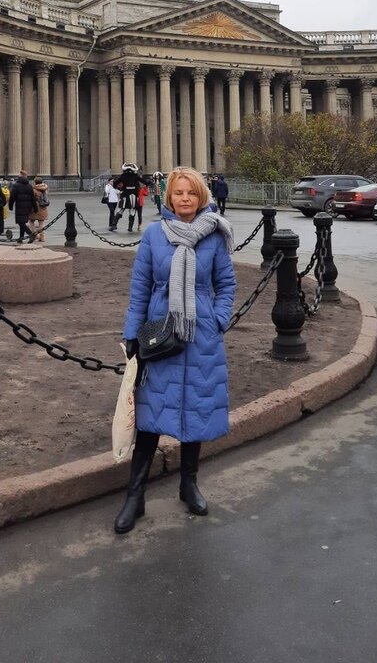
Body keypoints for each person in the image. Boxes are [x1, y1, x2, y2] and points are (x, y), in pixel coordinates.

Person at [114, 166, 236, 534]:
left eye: (191, 193)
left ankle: (189, 484)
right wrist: (132, 336)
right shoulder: (153, 235)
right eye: (178, 193)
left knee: (195, 411)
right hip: (160, 334)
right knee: (151, 417)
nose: (185, 199)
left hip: (200, 336)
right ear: (168, 197)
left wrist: (216, 319)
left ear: (202, 197)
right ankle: (135, 497)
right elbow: (140, 290)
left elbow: (226, 285)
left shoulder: (215, 235)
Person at [8, 170, 39, 243]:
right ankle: (21, 238)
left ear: (20, 176)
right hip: (28, 207)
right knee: (23, 222)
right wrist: (35, 208)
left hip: (20, 206)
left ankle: (31, 234)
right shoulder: (29, 186)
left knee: (20, 222)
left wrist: (10, 206)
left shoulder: (16, 185)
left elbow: (12, 197)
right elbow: (33, 198)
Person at [113, 163, 143, 233]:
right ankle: (130, 227)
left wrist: (117, 187)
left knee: (120, 210)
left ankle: (114, 225)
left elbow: (115, 183)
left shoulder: (123, 176)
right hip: (133, 196)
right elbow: (141, 183)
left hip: (125, 195)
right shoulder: (135, 176)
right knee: (132, 211)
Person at [32, 175, 50, 242]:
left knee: (31, 221)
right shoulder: (45, 189)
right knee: (41, 223)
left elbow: (32, 199)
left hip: (35, 208)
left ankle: (34, 235)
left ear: (35, 182)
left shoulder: (34, 190)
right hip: (43, 208)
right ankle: (42, 237)